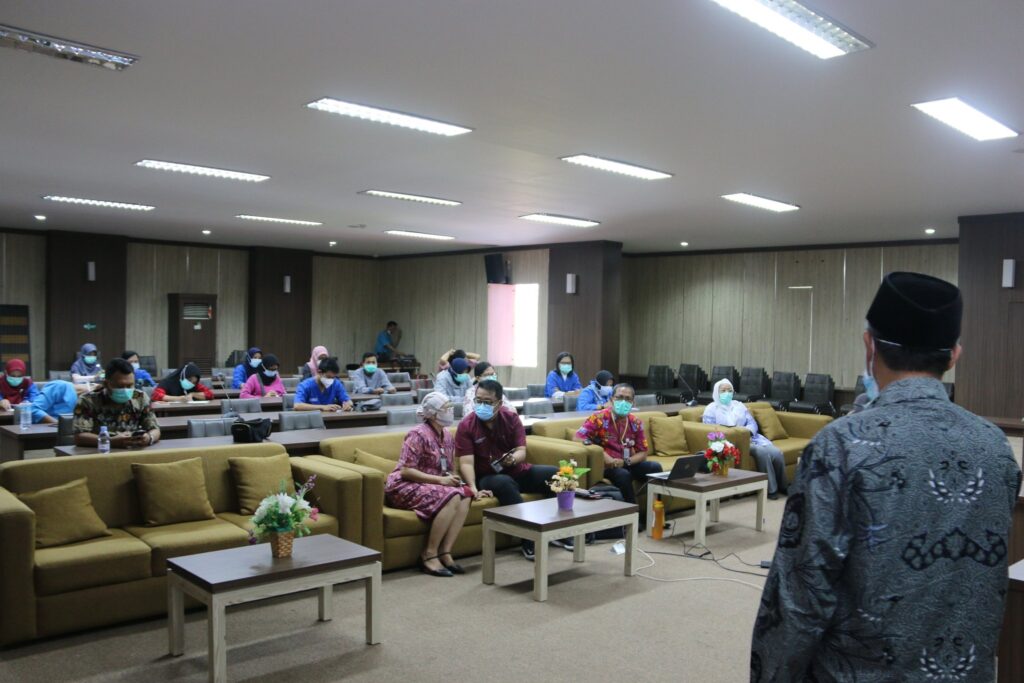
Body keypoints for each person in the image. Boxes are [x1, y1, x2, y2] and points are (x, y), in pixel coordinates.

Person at [751, 272, 1022, 682]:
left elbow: (800, 594)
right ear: (953, 356)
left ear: (869, 345)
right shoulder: (995, 446)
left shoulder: (841, 445)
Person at [456, 378, 559, 561]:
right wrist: (472, 487)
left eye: (487, 402)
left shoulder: (511, 418)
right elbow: (466, 463)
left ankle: (557, 531)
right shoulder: (467, 425)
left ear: (499, 403)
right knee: (504, 483)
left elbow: (521, 451)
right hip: (488, 477)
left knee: (557, 475)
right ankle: (529, 540)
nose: (481, 405)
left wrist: (512, 459)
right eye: (478, 400)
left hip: (516, 470)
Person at [385, 392, 473, 577]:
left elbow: (449, 470)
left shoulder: (447, 435)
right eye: (446, 408)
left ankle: (445, 552)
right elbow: (406, 471)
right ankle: (429, 554)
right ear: (432, 414)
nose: (450, 411)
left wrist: (461, 483)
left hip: (433, 483)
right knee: (452, 496)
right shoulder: (418, 434)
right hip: (405, 485)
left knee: (465, 495)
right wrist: (441, 481)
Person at [575, 383, 662, 506]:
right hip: (606, 466)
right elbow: (578, 437)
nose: (623, 402)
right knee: (623, 475)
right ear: (611, 399)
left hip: (626, 463)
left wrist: (626, 462)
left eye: (627, 399)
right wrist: (603, 455)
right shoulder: (598, 418)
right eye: (619, 397)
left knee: (655, 467)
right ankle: (632, 512)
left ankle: (655, 510)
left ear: (633, 403)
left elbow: (643, 452)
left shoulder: (635, 422)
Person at [703, 378, 787, 499]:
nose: (727, 393)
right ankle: (771, 489)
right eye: (723, 390)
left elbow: (752, 423)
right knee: (762, 452)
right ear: (717, 392)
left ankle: (783, 486)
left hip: (752, 438)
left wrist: (747, 433)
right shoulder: (711, 409)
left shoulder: (739, 405)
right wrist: (738, 435)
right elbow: (710, 430)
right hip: (733, 443)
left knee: (777, 452)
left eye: (730, 390)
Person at [73, 358, 160, 448]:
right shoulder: (88, 400)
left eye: (129, 386)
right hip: (100, 451)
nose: (125, 390)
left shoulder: (140, 397)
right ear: (106, 384)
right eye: (120, 386)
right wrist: (109, 441)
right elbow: (79, 437)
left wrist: (149, 438)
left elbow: (155, 429)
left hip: (132, 450)